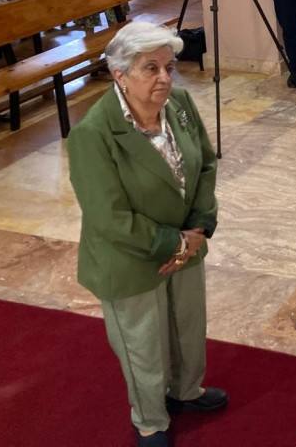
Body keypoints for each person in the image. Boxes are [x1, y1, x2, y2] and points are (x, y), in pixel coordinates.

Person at [67, 22, 226, 447]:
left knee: (187, 328)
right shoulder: (93, 135)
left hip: (186, 241)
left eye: (169, 66)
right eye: (150, 68)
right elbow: (108, 217)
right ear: (120, 75)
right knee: (143, 346)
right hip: (129, 257)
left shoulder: (182, 103)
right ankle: (151, 420)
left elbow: (206, 165)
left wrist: (198, 227)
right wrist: (174, 243)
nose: (164, 78)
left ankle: (186, 391)